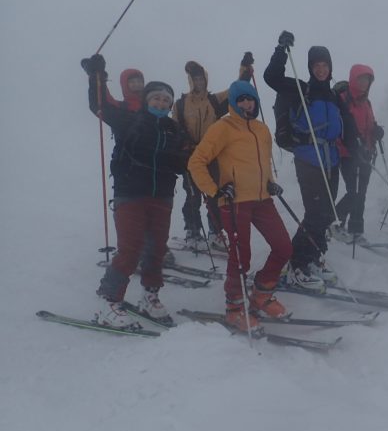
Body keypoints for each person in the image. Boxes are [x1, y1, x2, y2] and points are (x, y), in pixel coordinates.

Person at [188, 80, 293, 332]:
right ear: (234, 102)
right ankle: (235, 307)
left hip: (262, 199)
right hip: (234, 202)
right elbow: (196, 162)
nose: (247, 103)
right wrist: (215, 191)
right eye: (241, 99)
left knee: (284, 247)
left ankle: (261, 294)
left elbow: (262, 164)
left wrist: (270, 183)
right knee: (240, 258)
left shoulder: (262, 129)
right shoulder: (222, 127)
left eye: (250, 98)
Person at [87, 68, 187, 327]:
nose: (161, 103)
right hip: (130, 194)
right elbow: (99, 106)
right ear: (146, 100)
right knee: (130, 249)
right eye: (156, 98)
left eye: (166, 100)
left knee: (155, 250)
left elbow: (183, 161)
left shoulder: (173, 130)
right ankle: (107, 302)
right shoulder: (128, 119)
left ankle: (149, 297)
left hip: (162, 197)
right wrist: (95, 76)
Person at [263, 31, 356, 289]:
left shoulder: (334, 97)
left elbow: (347, 125)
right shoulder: (301, 89)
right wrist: (281, 50)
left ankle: (313, 256)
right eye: (316, 66)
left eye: (325, 65)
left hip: (331, 161)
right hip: (308, 159)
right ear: (310, 68)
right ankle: (297, 264)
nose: (321, 70)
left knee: (327, 215)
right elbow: (271, 78)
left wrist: (354, 148)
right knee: (315, 214)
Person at [173, 54, 255, 249]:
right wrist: (184, 144)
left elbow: (235, 89)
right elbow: (175, 128)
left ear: (206, 79)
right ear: (190, 81)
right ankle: (193, 230)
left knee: (214, 193)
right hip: (190, 155)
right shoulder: (181, 104)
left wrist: (245, 68)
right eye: (195, 79)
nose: (199, 82)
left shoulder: (214, 100)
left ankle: (215, 231)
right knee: (192, 194)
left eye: (201, 78)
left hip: (213, 154)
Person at [331, 64, 384, 243]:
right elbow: (338, 128)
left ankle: (356, 229)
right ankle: (335, 223)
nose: (364, 83)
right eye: (361, 79)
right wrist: (351, 145)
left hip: (366, 153)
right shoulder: (343, 100)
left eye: (367, 80)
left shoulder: (366, 102)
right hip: (348, 154)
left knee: (361, 193)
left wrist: (376, 130)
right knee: (353, 192)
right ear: (354, 79)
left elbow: (370, 123)